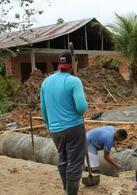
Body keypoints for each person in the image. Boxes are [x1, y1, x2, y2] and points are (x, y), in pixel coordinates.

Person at [40, 52, 88, 195]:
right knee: (74, 163)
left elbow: (43, 108)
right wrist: (85, 105)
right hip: (73, 127)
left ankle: (67, 189)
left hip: (55, 130)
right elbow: (81, 108)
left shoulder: (46, 82)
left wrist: (50, 126)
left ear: (59, 64)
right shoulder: (74, 81)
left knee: (63, 159)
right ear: (72, 64)